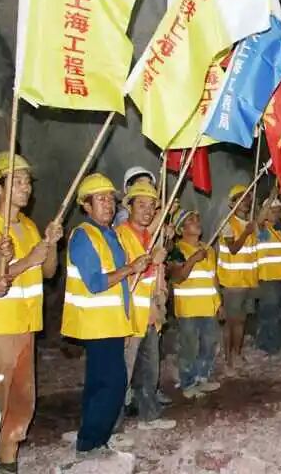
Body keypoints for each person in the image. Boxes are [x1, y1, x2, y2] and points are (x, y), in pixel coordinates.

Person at [62, 173, 155, 456]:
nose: (108, 205)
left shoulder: (110, 235)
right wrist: (130, 268)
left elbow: (122, 288)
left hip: (112, 323)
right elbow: (96, 282)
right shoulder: (83, 236)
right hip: (95, 324)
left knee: (103, 383)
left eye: (110, 200)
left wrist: (126, 322)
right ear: (86, 206)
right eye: (100, 199)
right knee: (111, 383)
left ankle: (94, 439)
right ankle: (91, 442)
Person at [0, 152, 62, 471]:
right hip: (0, 331)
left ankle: (8, 465)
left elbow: (48, 272)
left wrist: (50, 245)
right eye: (17, 181)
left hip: (26, 328)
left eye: (27, 182)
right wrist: (26, 261)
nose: (26, 188)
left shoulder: (29, 226)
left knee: (20, 405)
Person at [114, 181, 171, 429]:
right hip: (130, 316)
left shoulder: (150, 237)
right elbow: (122, 274)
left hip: (150, 314)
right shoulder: (120, 235)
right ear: (130, 207)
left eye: (151, 206)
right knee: (122, 374)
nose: (147, 211)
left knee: (150, 370)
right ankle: (112, 426)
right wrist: (151, 262)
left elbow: (156, 278)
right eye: (141, 205)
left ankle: (149, 415)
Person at [167, 209, 222, 399]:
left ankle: (202, 378)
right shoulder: (176, 250)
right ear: (182, 229)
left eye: (197, 219)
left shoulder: (208, 249)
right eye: (191, 220)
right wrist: (192, 260)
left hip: (209, 307)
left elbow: (213, 277)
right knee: (189, 348)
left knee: (209, 344)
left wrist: (219, 303)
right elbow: (177, 277)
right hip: (188, 309)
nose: (197, 222)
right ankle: (188, 383)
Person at [217, 184, 258, 370]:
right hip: (232, 282)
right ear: (232, 203)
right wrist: (246, 232)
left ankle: (237, 353)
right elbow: (233, 248)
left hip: (247, 281)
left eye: (248, 197)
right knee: (230, 323)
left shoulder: (250, 224)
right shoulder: (228, 223)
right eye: (241, 198)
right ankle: (228, 358)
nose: (246, 201)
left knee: (241, 321)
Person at [255, 197, 281, 355]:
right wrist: (271, 197)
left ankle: (278, 344)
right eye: (273, 211)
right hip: (268, 278)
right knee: (269, 314)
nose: (276, 214)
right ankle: (266, 346)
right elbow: (259, 220)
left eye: (278, 211)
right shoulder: (263, 230)